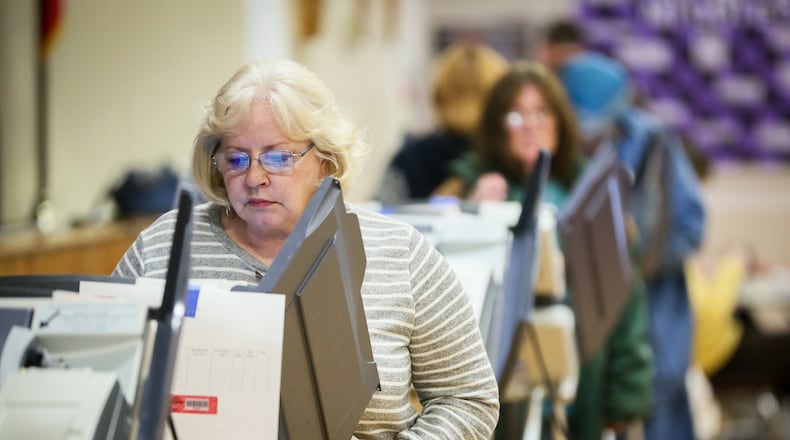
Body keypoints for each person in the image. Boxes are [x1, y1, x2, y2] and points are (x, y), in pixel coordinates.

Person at [112, 59, 500, 439]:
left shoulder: (401, 252)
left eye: (278, 157)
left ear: (326, 163)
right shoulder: (162, 246)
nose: (254, 178)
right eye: (236, 158)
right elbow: (108, 385)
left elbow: (468, 396)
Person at [436, 60, 654, 440]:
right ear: (497, 126)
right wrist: (470, 212)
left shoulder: (596, 199)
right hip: (497, 395)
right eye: (516, 115)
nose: (531, 125)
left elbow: (627, 306)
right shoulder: (462, 189)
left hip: (585, 387)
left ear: (560, 121)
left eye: (541, 112)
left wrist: (625, 400)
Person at [558, 51, 706, 440]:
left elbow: (692, 227)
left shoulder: (655, 145)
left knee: (660, 408)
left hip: (657, 313)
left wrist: (631, 255)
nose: (592, 141)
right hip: (592, 325)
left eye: (599, 129)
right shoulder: (564, 153)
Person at [375, 41, 509, 204]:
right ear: (499, 100)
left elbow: (378, 214)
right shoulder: (507, 158)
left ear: (439, 95)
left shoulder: (409, 157)